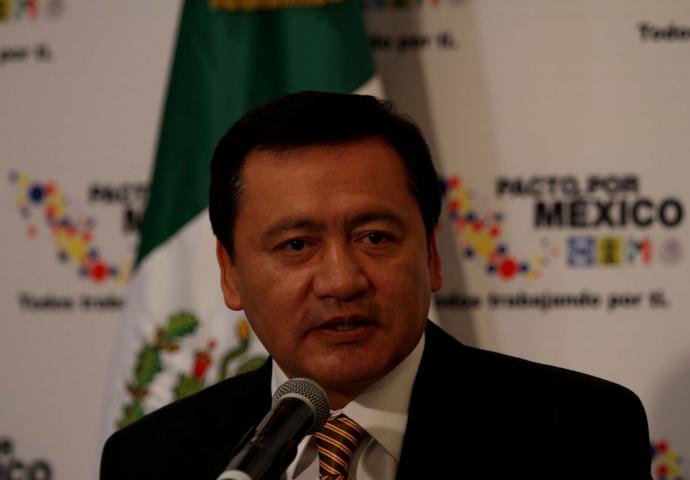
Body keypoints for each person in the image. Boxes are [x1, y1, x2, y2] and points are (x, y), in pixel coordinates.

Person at [100, 91, 651, 479]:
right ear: (229, 272)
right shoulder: (152, 459)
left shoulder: (577, 432)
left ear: (431, 254)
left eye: (375, 238)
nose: (342, 281)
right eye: (297, 245)